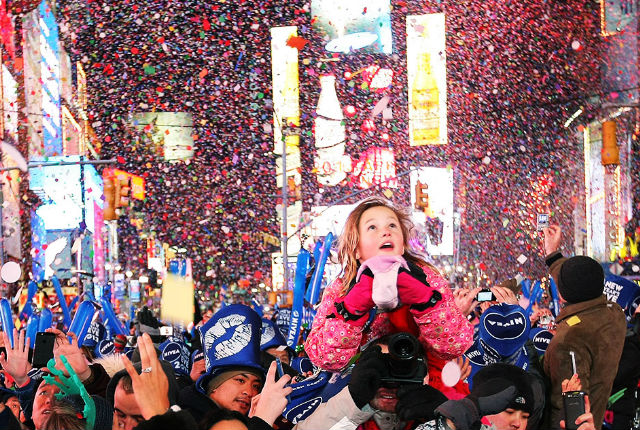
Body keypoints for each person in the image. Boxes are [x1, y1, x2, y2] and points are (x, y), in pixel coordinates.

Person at [305, 197, 473, 373]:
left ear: (402, 245)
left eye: (392, 225)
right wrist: (350, 311)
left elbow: (454, 345)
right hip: (357, 385)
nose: (386, 232)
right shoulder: (340, 289)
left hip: (415, 383)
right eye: (372, 227)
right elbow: (323, 358)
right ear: (356, 249)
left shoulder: (427, 279)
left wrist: (427, 303)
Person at [542, 225, 627, 429]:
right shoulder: (614, 314)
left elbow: (568, 408)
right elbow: (578, 281)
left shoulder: (568, 341)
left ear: (562, 295)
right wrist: (552, 255)